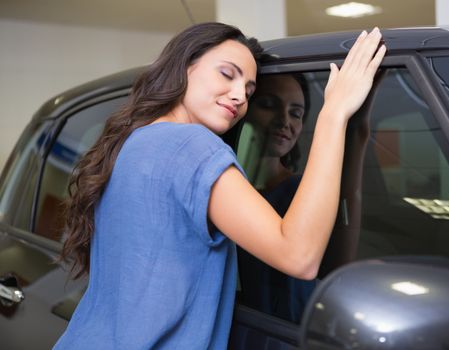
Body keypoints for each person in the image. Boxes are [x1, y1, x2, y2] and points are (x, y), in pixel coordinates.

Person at [54, 22, 386, 349]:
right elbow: (299, 256)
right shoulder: (194, 147)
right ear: (184, 68)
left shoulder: (133, 143)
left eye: (250, 90)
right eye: (227, 74)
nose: (240, 95)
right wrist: (334, 112)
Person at [237, 72, 316, 323]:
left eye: (296, 113)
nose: (284, 121)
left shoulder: (303, 192)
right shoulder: (219, 185)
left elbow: (334, 265)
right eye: (269, 105)